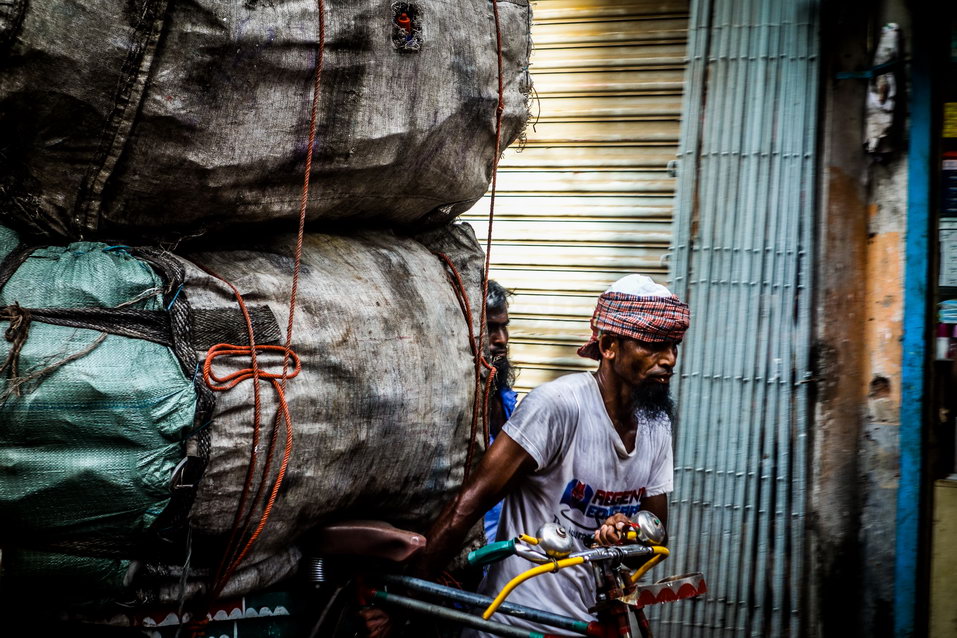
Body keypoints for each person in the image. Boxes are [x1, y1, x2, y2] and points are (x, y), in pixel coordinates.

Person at [413, 274, 690, 637]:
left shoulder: (657, 424)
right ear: (608, 345)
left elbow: (655, 540)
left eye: (673, 346)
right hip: (517, 626)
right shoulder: (557, 407)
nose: (668, 360)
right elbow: (468, 505)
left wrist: (624, 533)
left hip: (591, 625)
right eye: (653, 346)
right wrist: (403, 598)